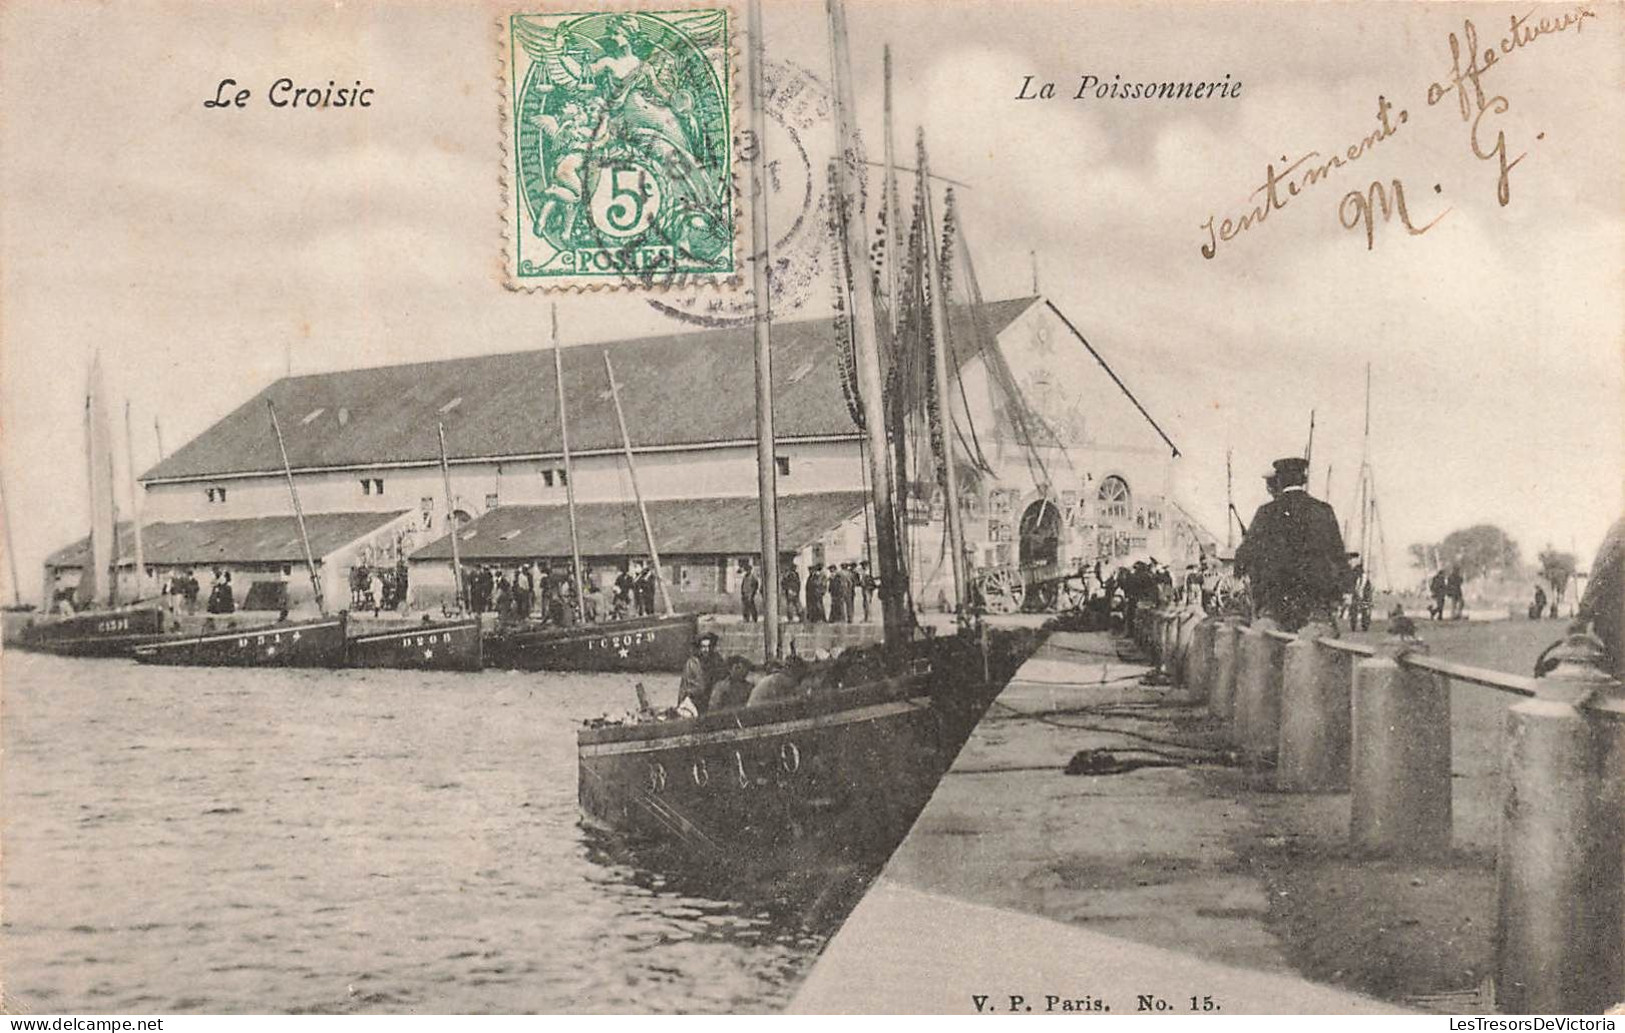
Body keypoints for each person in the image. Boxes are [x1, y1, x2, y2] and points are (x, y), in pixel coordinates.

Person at [1232, 456, 1348, 633]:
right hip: (1315, 605)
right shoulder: (1323, 510)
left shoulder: (1266, 512)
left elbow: (1243, 556)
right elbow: (1338, 556)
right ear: (1304, 479)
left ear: (1279, 481)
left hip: (1275, 605)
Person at [677, 632, 722, 714]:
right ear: (699, 648)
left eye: (709, 647)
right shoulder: (692, 663)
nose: (706, 650)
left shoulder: (716, 660)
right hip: (695, 700)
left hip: (711, 698)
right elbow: (686, 687)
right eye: (703, 647)